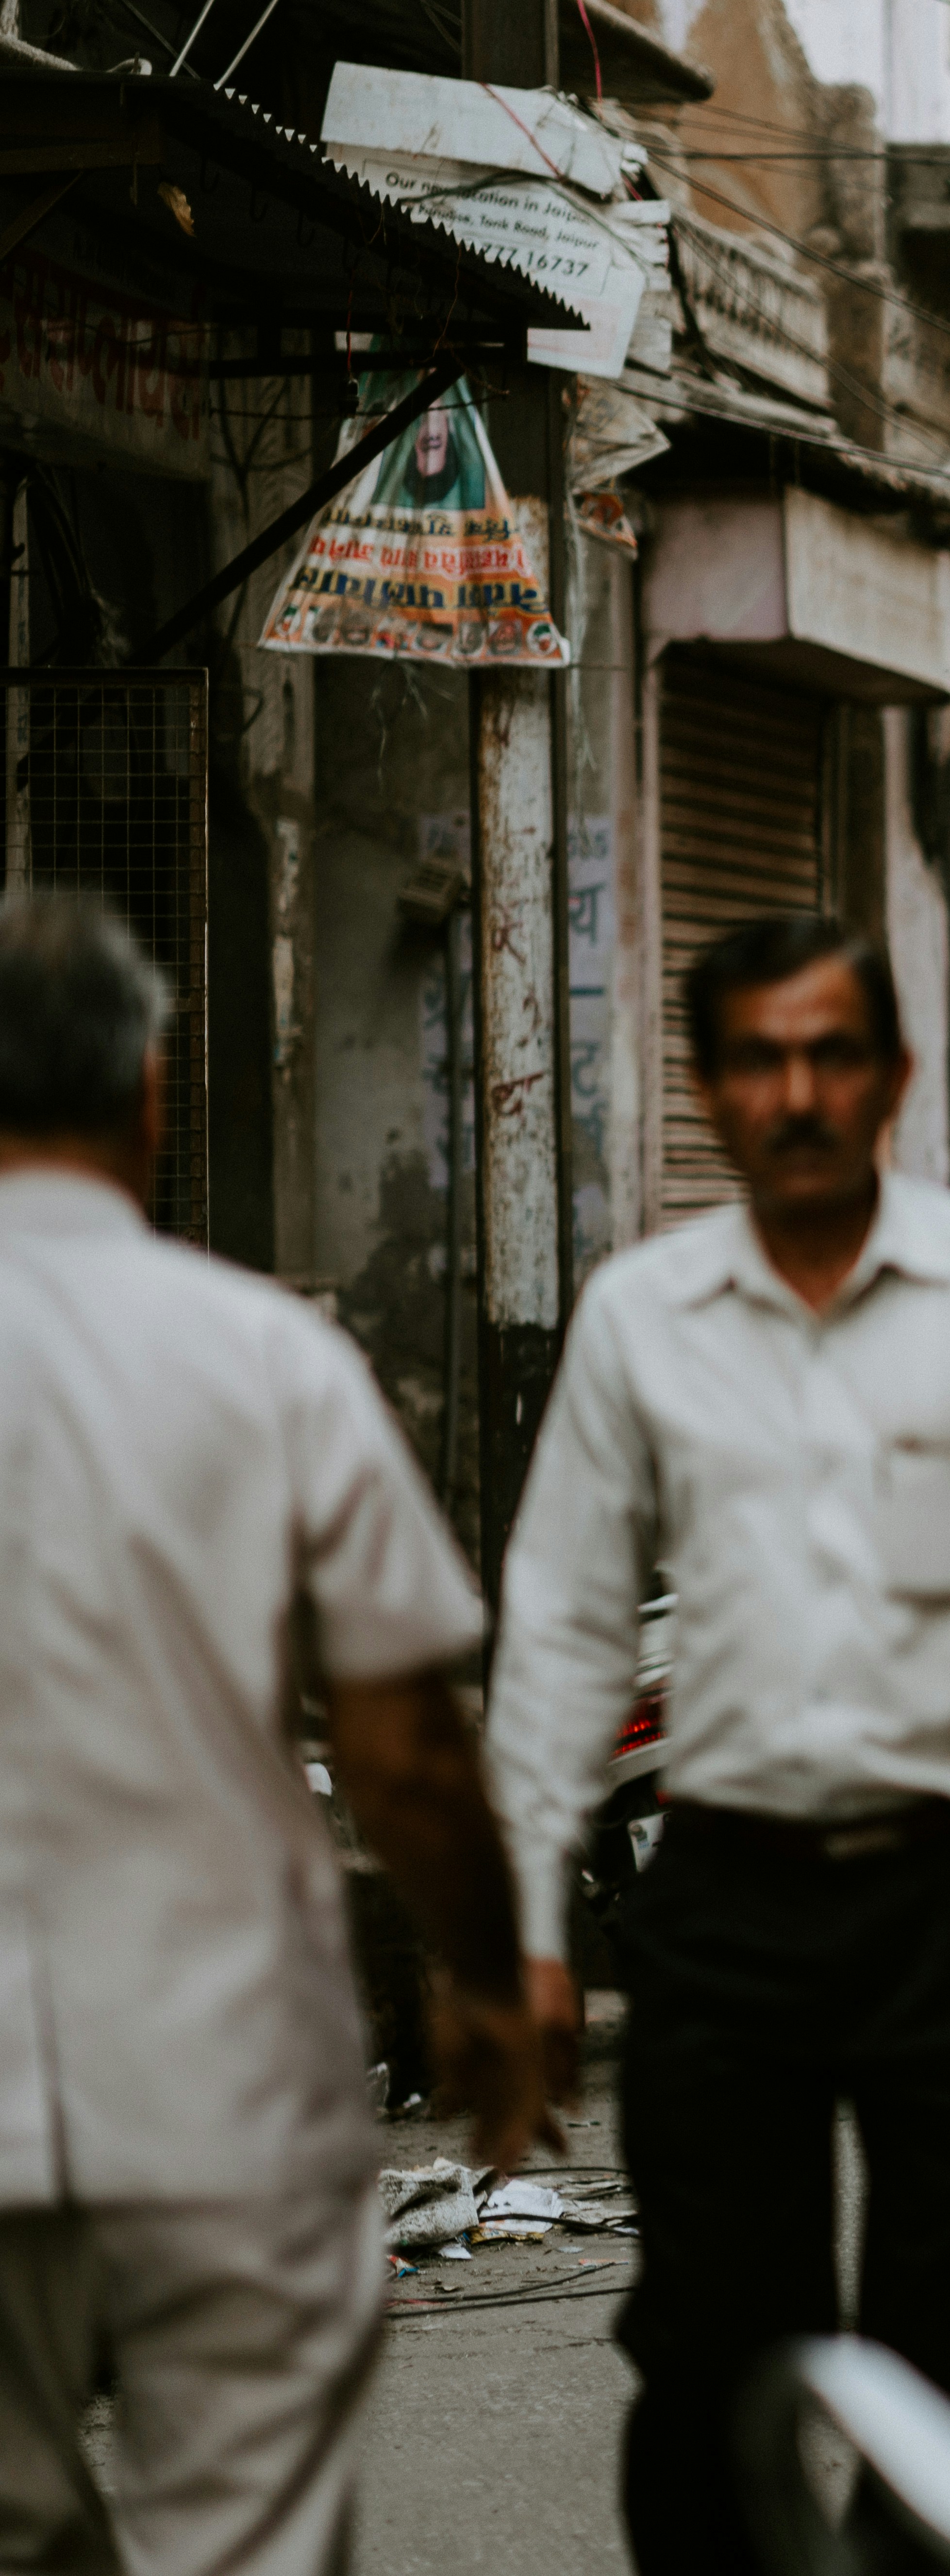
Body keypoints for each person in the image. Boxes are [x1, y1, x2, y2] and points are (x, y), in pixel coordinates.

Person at [490, 914, 950, 2574]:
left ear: (892, 1077)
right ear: (708, 1085)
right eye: (757, 1060)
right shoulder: (643, 1316)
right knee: (712, 2351)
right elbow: (566, 1627)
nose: (795, 1094)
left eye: (830, 1055)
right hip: (728, 1899)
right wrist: (525, 1925)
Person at [0, 892, 544, 2576]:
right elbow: (404, 1747)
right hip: (216, 2078)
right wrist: (486, 1978)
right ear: (151, 1090)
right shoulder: (264, 1357)